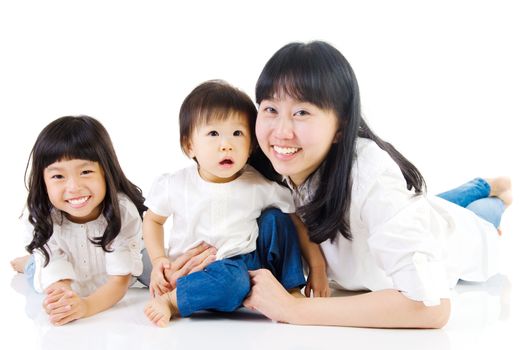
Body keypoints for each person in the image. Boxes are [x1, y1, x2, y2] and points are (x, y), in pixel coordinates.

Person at [243, 41, 513, 328]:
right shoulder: (264, 164)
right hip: (415, 216)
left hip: (460, 242)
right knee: (432, 206)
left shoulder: (370, 174)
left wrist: (294, 310)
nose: (281, 132)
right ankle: (482, 186)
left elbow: (430, 307)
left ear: (341, 126)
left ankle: (496, 194)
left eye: (302, 113)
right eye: (270, 108)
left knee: (483, 218)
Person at [143, 80, 329, 327]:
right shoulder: (176, 184)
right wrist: (158, 261)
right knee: (233, 281)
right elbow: (153, 219)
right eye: (213, 134)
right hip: (205, 271)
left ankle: (289, 289)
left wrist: (317, 266)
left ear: (251, 145)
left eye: (237, 133)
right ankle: (172, 301)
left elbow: (295, 221)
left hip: (248, 261)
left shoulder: (258, 184)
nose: (226, 144)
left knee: (278, 219)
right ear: (190, 145)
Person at [10, 115, 149, 326]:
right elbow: (56, 278)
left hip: (122, 264)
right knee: (37, 273)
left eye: (86, 172)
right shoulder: (42, 218)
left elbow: (120, 281)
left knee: (158, 272)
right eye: (58, 176)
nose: (74, 187)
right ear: (43, 180)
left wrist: (86, 307)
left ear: (106, 172)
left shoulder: (123, 211)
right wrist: (65, 299)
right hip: (65, 266)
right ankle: (29, 262)